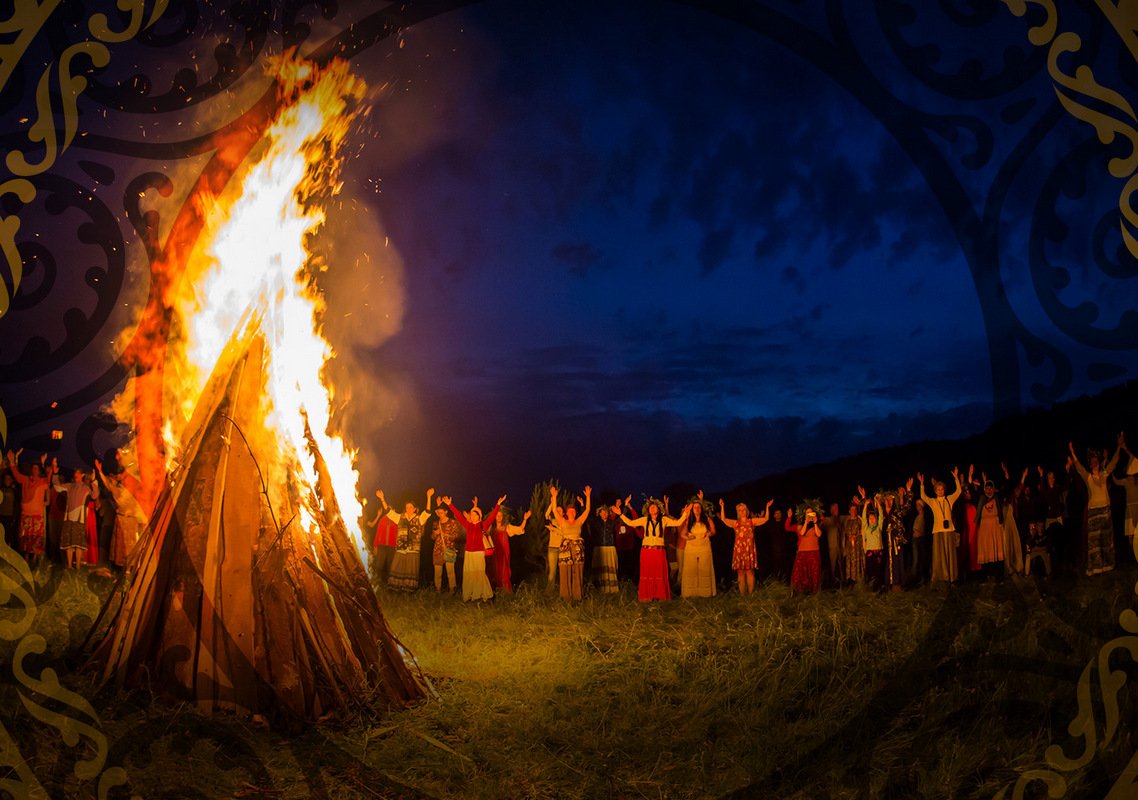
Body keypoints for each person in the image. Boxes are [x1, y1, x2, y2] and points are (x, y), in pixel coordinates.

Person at [616, 496, 689, 602]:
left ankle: (661, 596)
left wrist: (685, 514)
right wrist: (620, 514)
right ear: (648, 510)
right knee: (647, 573)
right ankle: (647, 596)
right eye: (651, 507)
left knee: (659, 573)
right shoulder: (645, 519)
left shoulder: (664, 520)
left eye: (655, 507)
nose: (652, 508)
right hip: (647, 551)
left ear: (659, 509)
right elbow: (631, 523)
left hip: (659, 551)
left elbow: (677, 523)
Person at [1069, 437, 1122, 576]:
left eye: (1096, 462)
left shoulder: (1104, 475)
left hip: (1105, 510)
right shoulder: (1088, 477)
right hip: (1094, 512)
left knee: (1106, 539)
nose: (1094, 464)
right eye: (1092, 463)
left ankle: (1109, 564)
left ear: (1098, 463)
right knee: (1094, 541)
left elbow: (1114, 462)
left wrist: (1119, 447)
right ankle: (1095, 567)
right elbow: (1079, 468)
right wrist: (1072, 453)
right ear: (1091, 465)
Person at [443, 494, 503, 602]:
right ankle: (470, 596)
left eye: (475, 514)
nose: (473, 516)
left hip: (479, 553)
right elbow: (459, 516)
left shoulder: (483, 525)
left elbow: (492, 516)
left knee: (479, 574)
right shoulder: (468, 525)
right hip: (469, 553)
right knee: (469, 574)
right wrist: (449, 504)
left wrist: (498, 504)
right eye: (471, 514)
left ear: (479, 516)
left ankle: (486, 595)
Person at [6, 450, 53, 568]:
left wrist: (44, 464)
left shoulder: (42, 482)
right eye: (33, 468)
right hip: (26, 514)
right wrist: (12, 462)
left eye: (37, 469)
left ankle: (35, 558)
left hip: (37, 515)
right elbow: (16, 475)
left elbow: (48, 478)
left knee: (36, 538)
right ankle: (26, 558)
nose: (34, 470)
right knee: (26, 537)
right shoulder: (25, 479)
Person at [380, 488, 433, 591]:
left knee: (410, 568)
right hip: (401, 547)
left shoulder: (419, 519)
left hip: (413, 548)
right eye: (407, 507)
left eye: (411, 507)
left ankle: (409, 589)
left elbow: (427, 512)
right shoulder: (400, 517)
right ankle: (395, 588)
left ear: (414, 509)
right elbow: (388, 512)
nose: (408, 509)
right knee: (398, 566)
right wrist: (382, 499)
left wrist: (429, 497)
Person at [718, 497, 772, 595]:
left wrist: (767, 507)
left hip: (749, 550)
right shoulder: (735, 523)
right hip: (739, 550)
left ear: (746, 511)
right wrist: (722, 506)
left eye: (743, 510)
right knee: (740, 573)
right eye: (739, 510)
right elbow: (723, 519)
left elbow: (766, 519)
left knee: (750, 572)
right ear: (737, 512)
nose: (742, 512)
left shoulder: (752, 521)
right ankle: (743, 595)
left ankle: (751, 594)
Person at [52, 462, 99, 570]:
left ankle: (77, 566)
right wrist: (55, 474)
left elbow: (95, 495)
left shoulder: (86, 488)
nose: (75, 474)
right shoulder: (69, 486)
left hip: (79, 519)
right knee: (69, 543)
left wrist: (93, 480)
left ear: (82, 475)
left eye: (78, 473)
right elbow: (57, 487)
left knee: (78, 544)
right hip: (68, 518)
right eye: (75, 472)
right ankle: (69, 565)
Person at [920, 468, 962, 584]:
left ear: (944, 490)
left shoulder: (949, 499)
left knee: (950, 555)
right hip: (938, 531)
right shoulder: (933, 501)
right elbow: (923, 497)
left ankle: (952, 577)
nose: (940, 491)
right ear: (935, 491)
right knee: (940, 555)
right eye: (938, 489)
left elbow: (958, 491)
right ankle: (941, 576)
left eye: (942, 489)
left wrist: (956, 478)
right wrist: (922, 484)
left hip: (949, 530)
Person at [550, 485, 592, 601]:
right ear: (567, 513)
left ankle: (577, 596)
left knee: (577, 571)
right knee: (565, 572)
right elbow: (554, 511)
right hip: (565, 550)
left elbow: (587, 510)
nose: (572, 513)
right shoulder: (563, 521)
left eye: (573, 511)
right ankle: (566, 597)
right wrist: (554, 497)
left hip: (578, 549)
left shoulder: (579, 521)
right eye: (570, 511)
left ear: (575, 513)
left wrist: (588, 497)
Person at [679, 493, 715, 598]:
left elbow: (713, 531)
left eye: (698, 507)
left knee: (704, 568)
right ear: (692, 509)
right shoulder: (689, 521)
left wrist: (710, 533)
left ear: (701, 509)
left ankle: (705, 593)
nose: (697, 509)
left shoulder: (707, 520)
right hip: (691, 548)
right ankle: (691, 593)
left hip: (704, 547)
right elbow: (682, 534)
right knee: (691, 569)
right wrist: (688, 537)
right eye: (695, 507)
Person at [490, 506, 530, 593]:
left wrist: (525, 519)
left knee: (504, 570)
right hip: (494, 553)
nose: (499, 517)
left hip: (503, 553)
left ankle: (505, 591)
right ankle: (495, 590)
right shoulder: (491, 528)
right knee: (494, 569)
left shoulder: (506, 527)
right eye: (497, 515)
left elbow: (519, 529)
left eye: (500, 515)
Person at [1112, 436, 1138, 562]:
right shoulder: (1127, 481)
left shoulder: (1136, 481)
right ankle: (1132, 554)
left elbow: (1134, 458)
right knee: (1130, 533)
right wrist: (1109, 471)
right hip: (1129, 507)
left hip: (1137, 506)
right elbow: (1116, 481)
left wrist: (1125, 448)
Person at [789, 504, 824, 594]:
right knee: (801, 573)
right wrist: (806, 522)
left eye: (810, 512)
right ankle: (800, 592)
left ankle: (814, 592)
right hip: (802, 552)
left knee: (814, 573)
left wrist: (815, 522)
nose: (809, 514)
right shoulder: (801, 525)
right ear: (804, 515)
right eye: (807, 513)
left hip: (814, 551)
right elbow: (802, 533)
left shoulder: (818, 524)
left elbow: (819, 534)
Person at [368, 489, 399, 585]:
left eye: (391, 509)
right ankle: (377, 582)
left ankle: (390, 583)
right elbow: (378, 533)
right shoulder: (383, 520)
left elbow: (399, 534)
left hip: (392, 546)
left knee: (391, 565)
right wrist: (375, 546)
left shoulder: (396, 520)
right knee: (379, 565)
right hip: (382, 546)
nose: (389, 510)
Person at [430, 501, 462, 593]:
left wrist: (445, 534)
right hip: (437, 550)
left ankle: (452, 589)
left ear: (446, 512)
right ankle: (438, 589)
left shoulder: (453, 522)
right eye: (438, 513)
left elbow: (457, 536)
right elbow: (432, 537)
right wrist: (435, 533)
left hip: (449, 550)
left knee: (450, 572)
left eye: (441, 512)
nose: (440, 515)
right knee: (437, 572)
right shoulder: (436, 523)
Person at [591, 502, 621, 594]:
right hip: (599, 548)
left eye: (606, 512)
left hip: (610, 548)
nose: (604, 513)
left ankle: (611, 589)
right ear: (599, 513)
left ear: (609, 513)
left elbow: (620, 519)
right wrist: (582, 505)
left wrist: (620, 508)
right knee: (599, 569)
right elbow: (586, 518)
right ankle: (598, 589)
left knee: (610, 568)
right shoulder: (596, 523)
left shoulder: (612, 523)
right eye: (603, 512)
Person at [858, 489, 885, 591]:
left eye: (874, 518)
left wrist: (878, 504)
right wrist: (865, 505)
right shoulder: (866, 527)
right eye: (870, 518)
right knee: (870, 570)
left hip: (878, 551)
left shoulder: (879, 527)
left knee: (878, 571)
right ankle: (870, 588)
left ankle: (879, 588)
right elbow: (864, 517)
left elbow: (881, 516)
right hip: (869, 551)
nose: (872, 520)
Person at [841, 500, 864, 586]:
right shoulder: (847, 521)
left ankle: (857, 580)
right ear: (849, 511)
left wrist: (856, 536)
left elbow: (862, 531)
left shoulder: (859, 520)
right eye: (852, 509)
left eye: (855, 509)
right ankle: (849, 580)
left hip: (857, 546)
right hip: (849, 546)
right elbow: (845, 534)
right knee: (849, 562)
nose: (853, 511)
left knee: (856, 562)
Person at [821, 502, 843, 589]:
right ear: (831, 510)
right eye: (834, 509)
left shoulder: (841, 519)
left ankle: (842, 583)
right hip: (832, 546)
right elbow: (821, 526)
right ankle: (833, 583)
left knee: (841, 565)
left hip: (841, 546)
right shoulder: (828, 520)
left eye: (837, 508)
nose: (836, 510)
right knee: (833, 565)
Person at [0, 470, 18, 552]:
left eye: (9, 479)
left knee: (9, 536)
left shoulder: (14, 491)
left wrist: (14, 516)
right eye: (6, 479)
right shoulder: (1, 489)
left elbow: (16, 504)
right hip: (1, 516)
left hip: (10, 517)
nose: (7, 480)